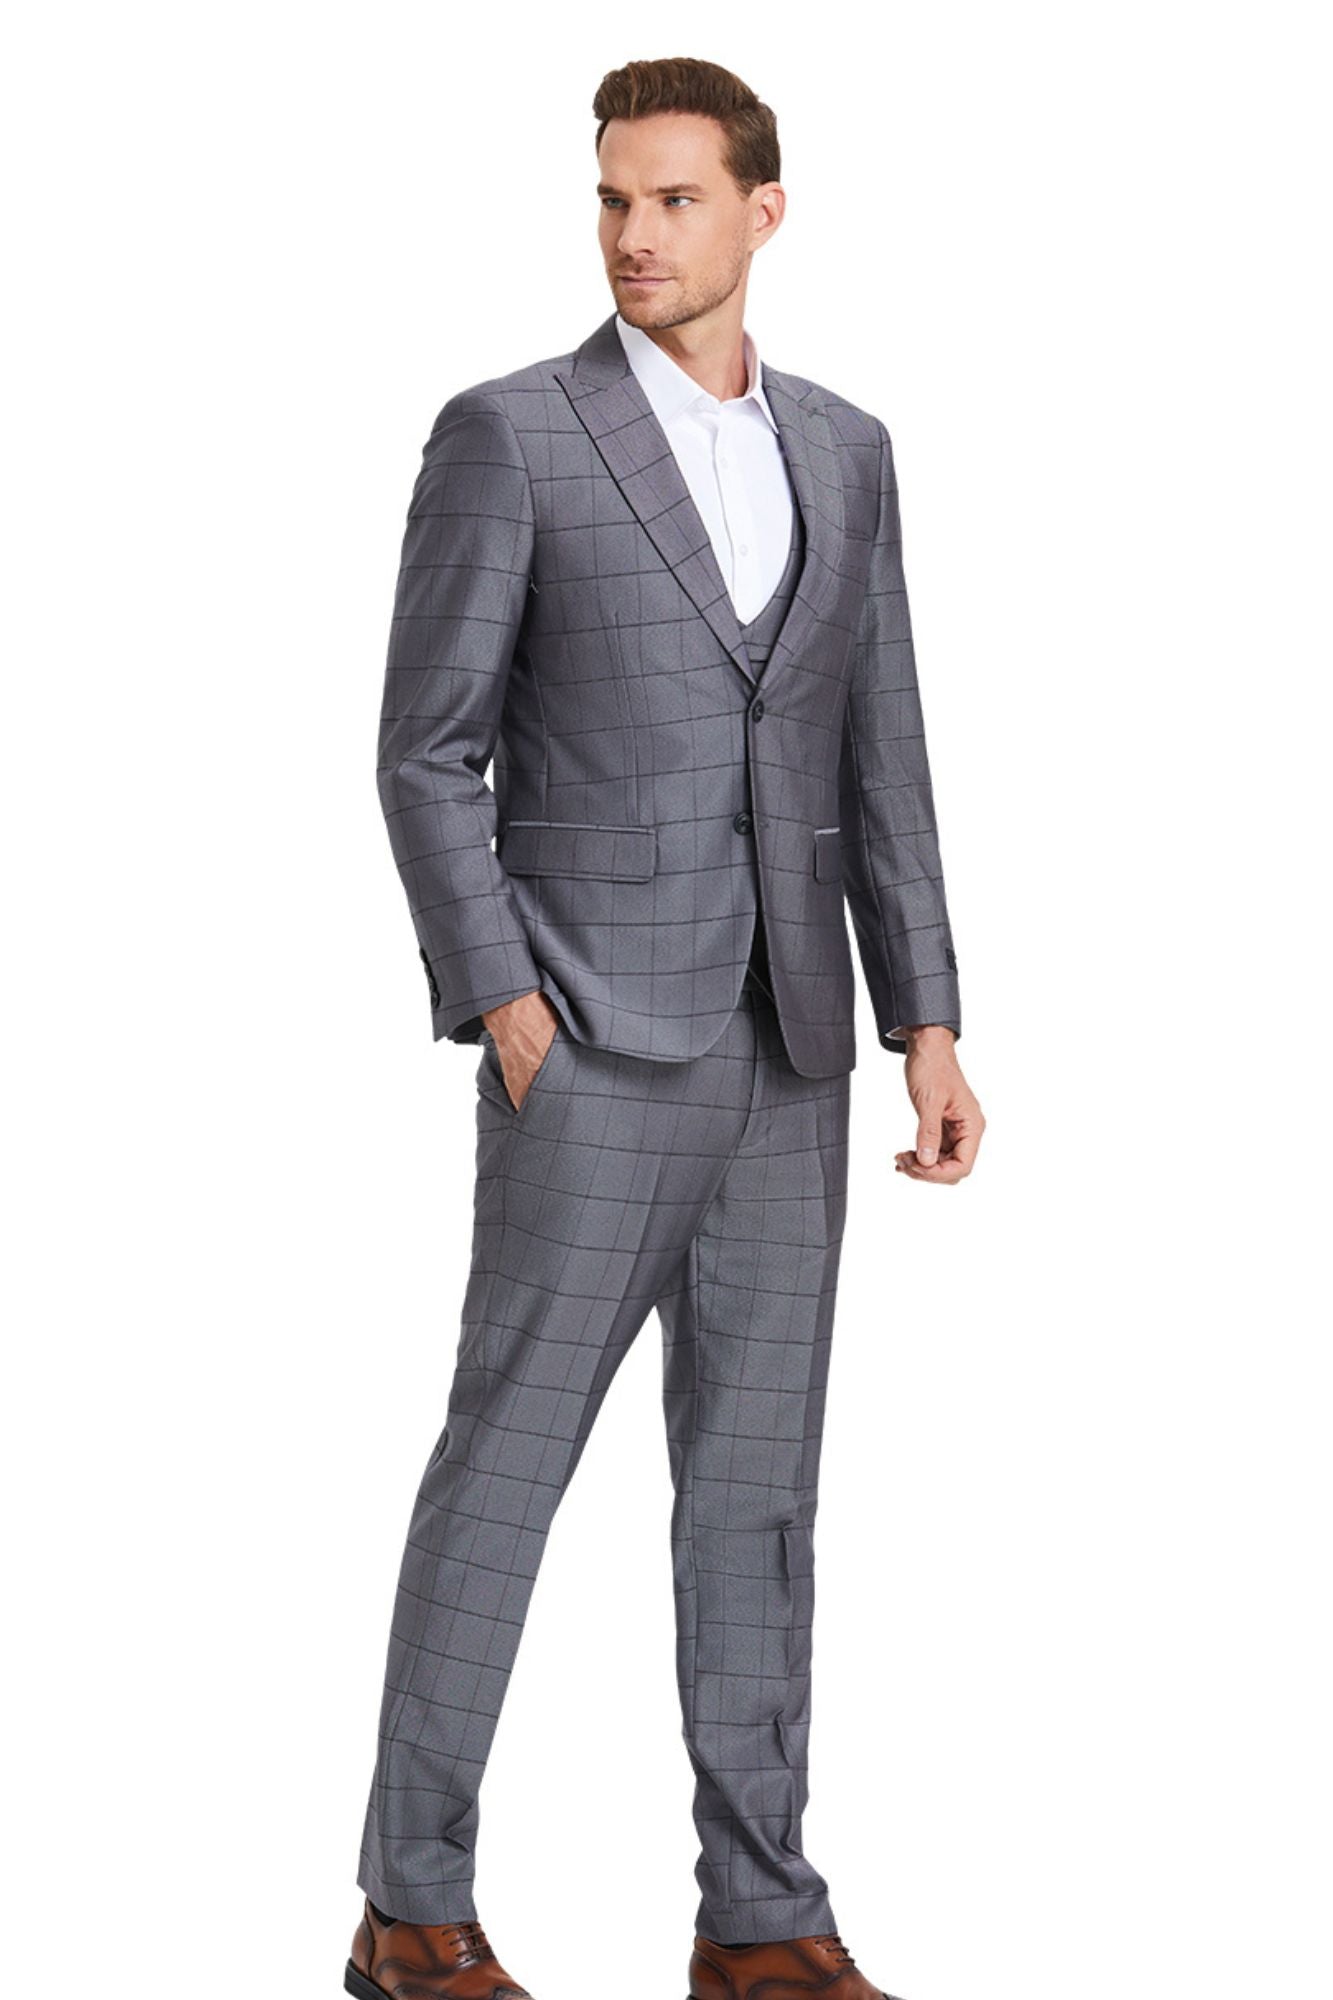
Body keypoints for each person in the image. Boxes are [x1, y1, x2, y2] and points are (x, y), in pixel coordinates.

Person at [347, 54, 986, 2000]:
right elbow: (423, 749)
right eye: (613, 201)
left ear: (762, 212)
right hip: (590, 1048)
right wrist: (505, 1002)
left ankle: (759, 1915)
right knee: (505, 1468)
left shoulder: (848, 450)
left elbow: (878, 747)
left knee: (758, 1492)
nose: (635, 235)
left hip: (793, 1045)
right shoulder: (512, 435)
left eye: (676, 199)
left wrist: (925, 1017)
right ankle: (410, 1904)